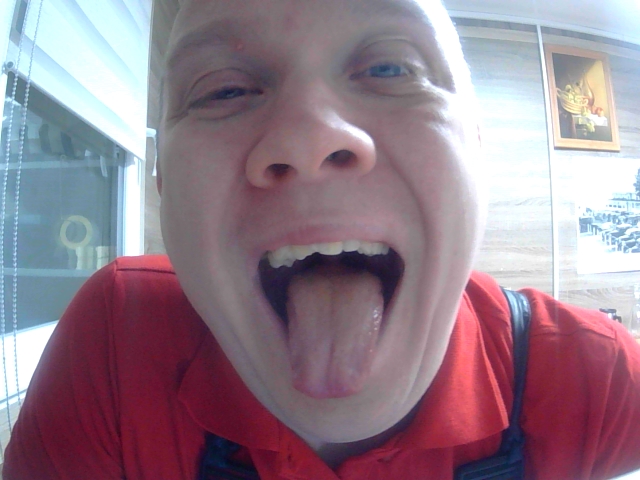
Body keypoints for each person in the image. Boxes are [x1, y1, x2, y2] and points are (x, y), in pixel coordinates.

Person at [4, 0, 640, 478]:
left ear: (477, 147)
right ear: (163, 180)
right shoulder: (118, 340)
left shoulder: (596, 375)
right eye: (224, 90)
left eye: (389, 68)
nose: (309, 138)